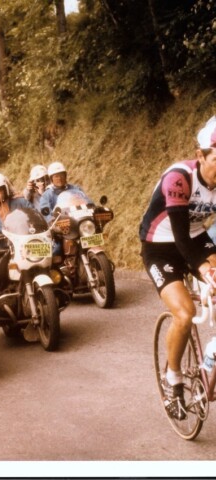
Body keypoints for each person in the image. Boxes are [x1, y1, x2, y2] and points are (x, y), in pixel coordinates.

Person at [139, 116, 216, 420]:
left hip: (196, 240)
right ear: (200, 156)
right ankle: (173, 380)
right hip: (160, 247)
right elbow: (180, 236)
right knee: (184, 314)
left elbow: (194, 240)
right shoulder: (179, 178)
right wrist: (204, 271)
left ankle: (210, 359)